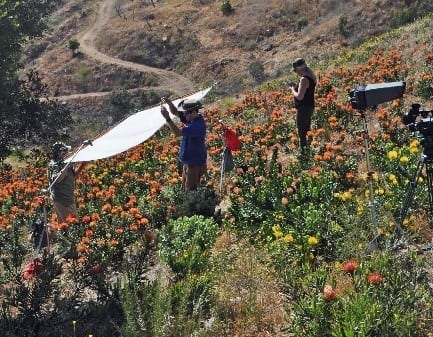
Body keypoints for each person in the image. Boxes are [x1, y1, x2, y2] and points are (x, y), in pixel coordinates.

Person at [161, 96, 207, 191]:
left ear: (194, 112)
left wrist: (168, 119)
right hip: (189, 161)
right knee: (185, 187)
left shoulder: (197, 125)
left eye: (186, 113)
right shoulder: (191, 118)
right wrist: (169, 103)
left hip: (195, 164)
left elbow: (177, 133)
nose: (184, 115)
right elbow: (176, 112)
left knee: (190, 191)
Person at [47, 142, 86, 223]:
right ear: (58, 153)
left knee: (67, 224)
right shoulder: (53, 165)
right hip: (61, 200)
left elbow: (73, 176)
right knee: (71, 224)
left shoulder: (66, 162)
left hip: (69, 198)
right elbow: (57, 179)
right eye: (64, 151)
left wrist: (83, 164)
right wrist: (67, 165)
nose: (67, 152)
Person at [289, 58, 317, 151]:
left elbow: (300, 97)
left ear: (299, 69)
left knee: (302, 133)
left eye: (295, 71)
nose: (296, 73)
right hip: (309, 107)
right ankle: (311, 149)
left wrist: (292, 89)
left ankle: (304, 154)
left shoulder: (304, 79)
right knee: (307, 130)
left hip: (303, 108)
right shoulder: (311, 76)